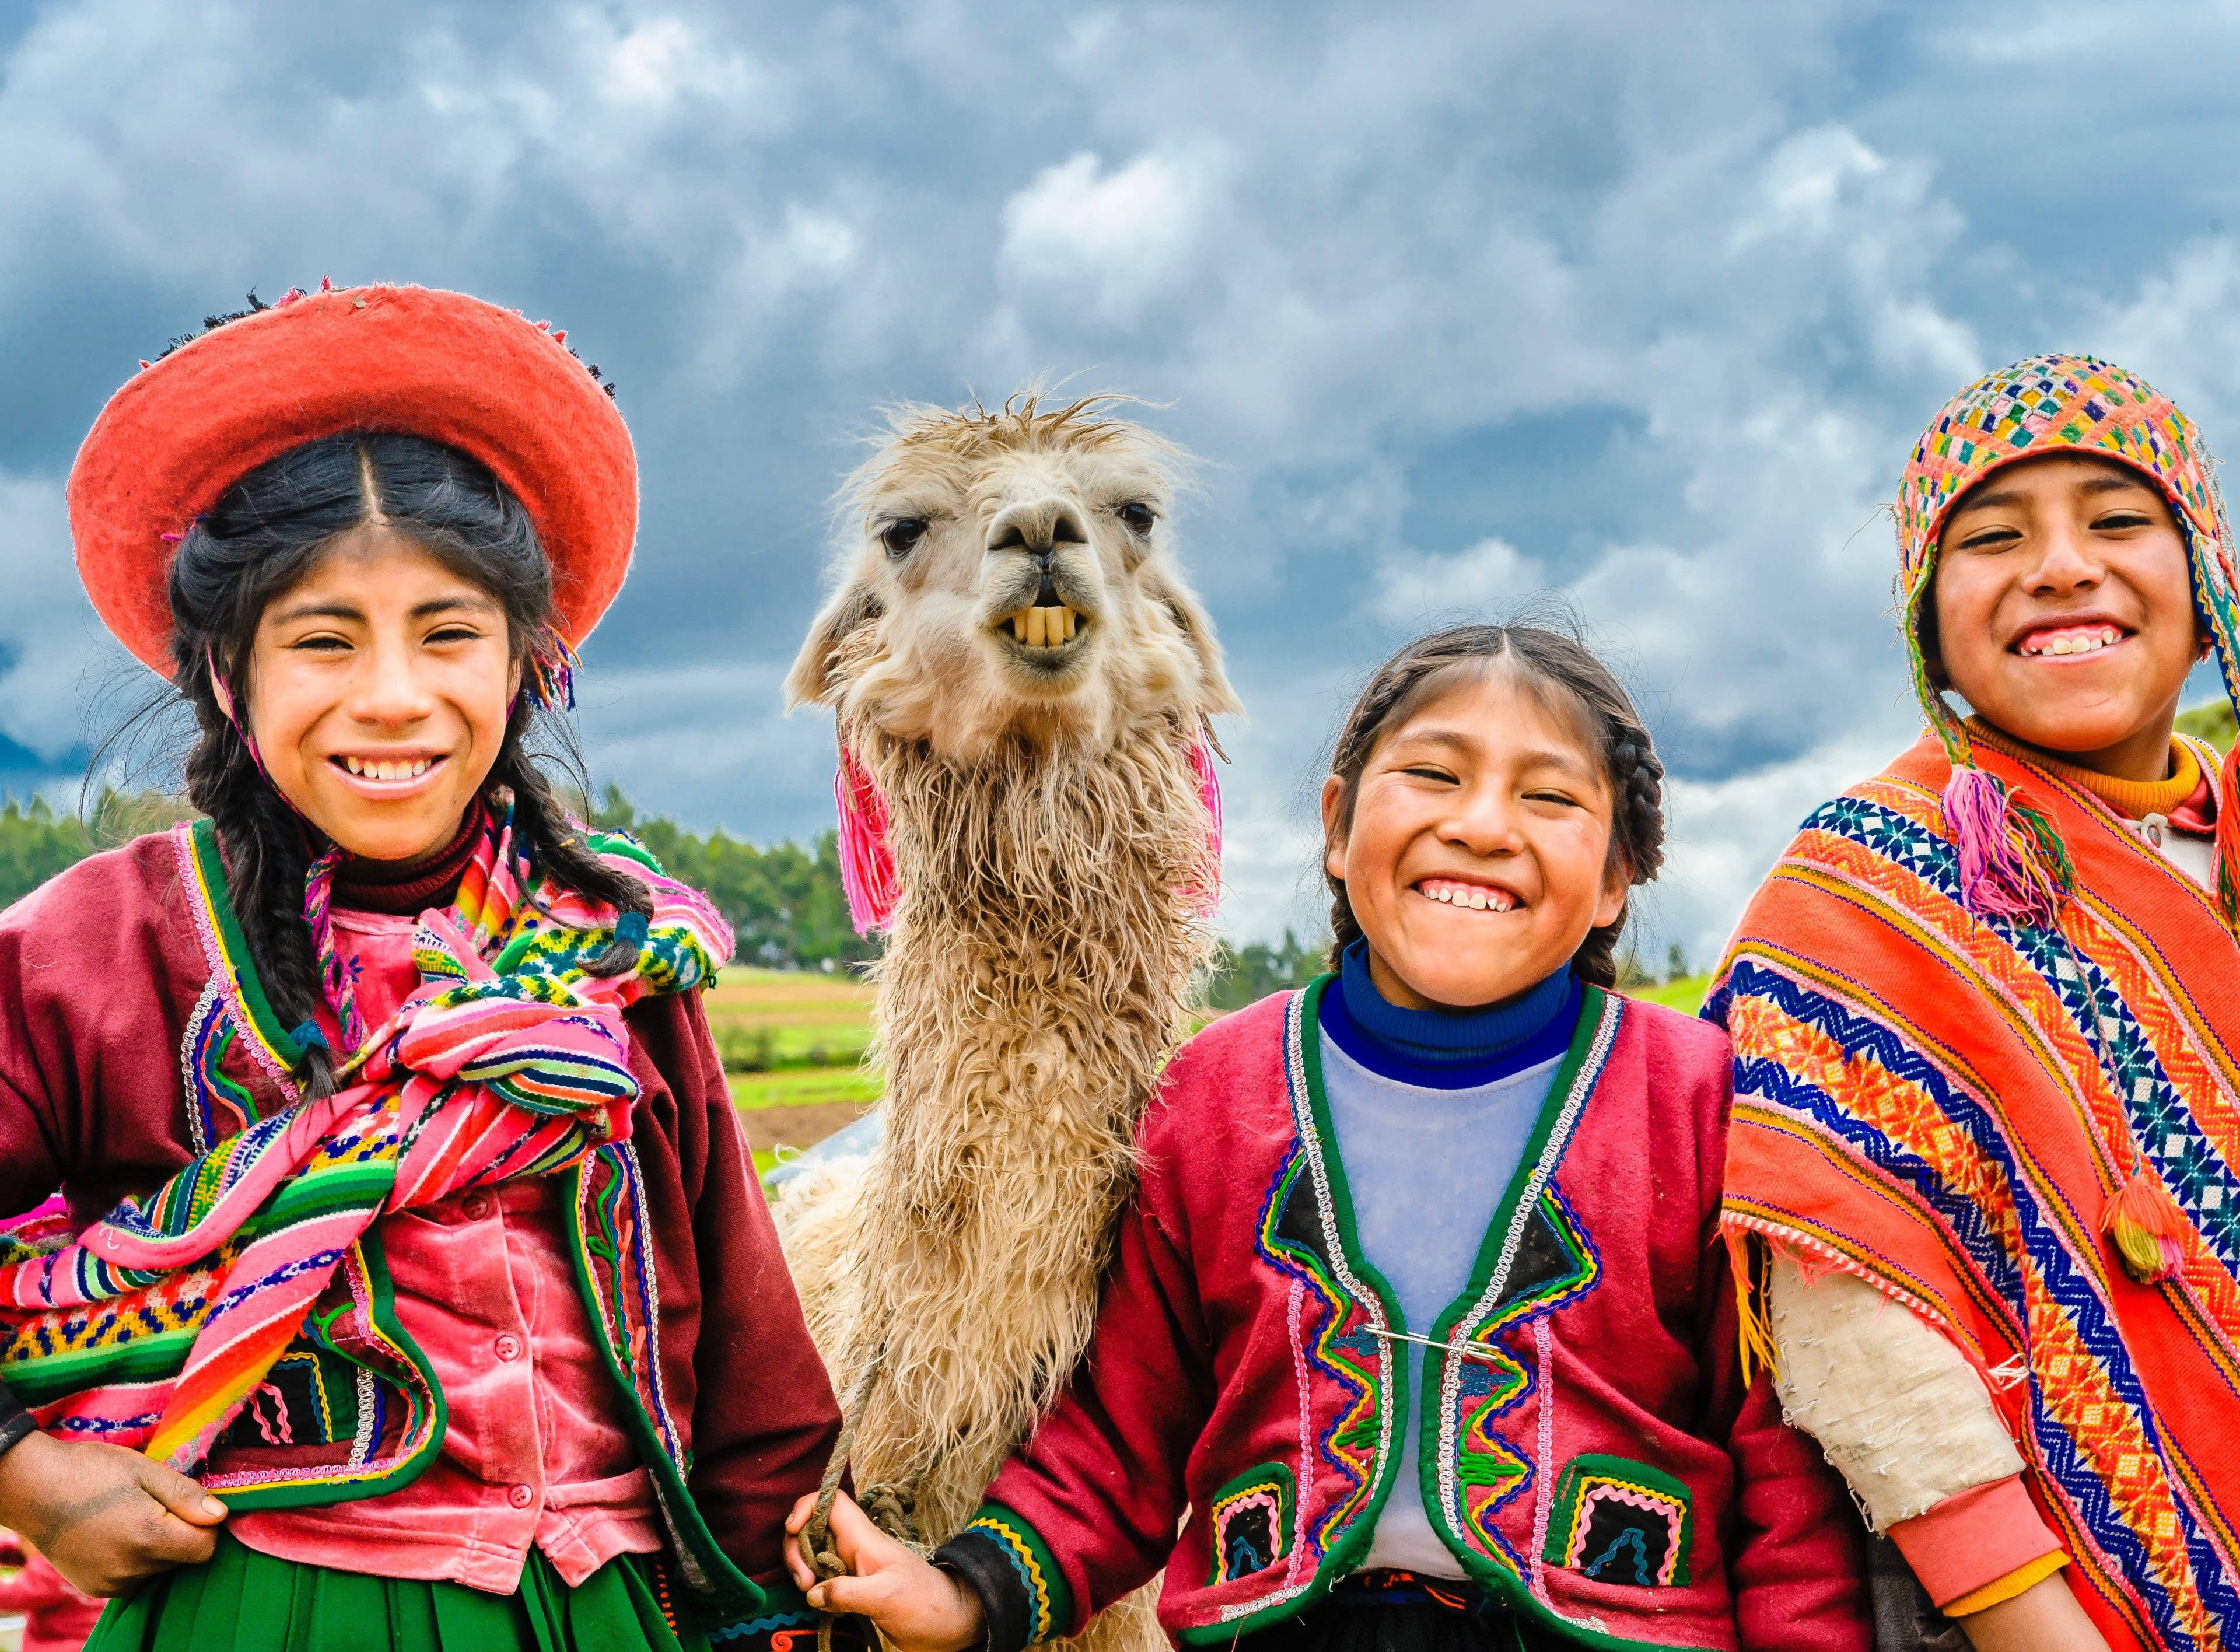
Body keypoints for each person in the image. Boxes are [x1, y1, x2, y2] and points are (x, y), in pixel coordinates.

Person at [0, 282, 840, 1651]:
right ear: (228, 674)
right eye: (323, 641)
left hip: (605, 1605)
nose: (393, 695)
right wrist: (27, 1475)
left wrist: (773, 1598)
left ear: (526, 666)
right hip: (266, 1604)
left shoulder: (617, 960)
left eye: (448, 633)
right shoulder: (101, 952)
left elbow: (748, 1352)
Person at [783, 621, 1871, 1651]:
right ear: (1339, 826)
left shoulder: (1696, 1106)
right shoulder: (1217, 1098)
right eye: (1436, 776)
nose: (1482, 825)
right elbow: (1120, 1441)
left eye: (1547, 796)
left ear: (1616, 885)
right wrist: (965, 1591)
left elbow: (1781, 1468)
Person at [1710, 355, 2240, 1652]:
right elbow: (1851, 1314)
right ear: (1927, 623)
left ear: (2207, 574)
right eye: (1993, 539)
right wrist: (2031, 1626)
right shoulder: (1862, 897)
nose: (2062, 566)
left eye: (2120, 521)